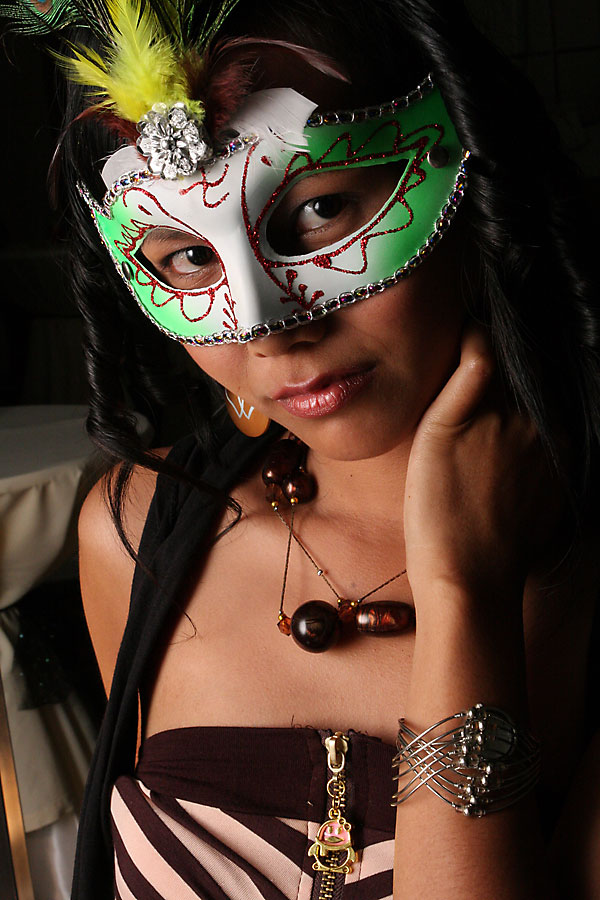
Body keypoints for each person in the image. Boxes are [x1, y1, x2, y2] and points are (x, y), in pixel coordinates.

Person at [3, 0, 599, 897]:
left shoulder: (580, 568)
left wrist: (464, 595)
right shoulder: (136, 534)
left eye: (321, 208)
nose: (269, 327)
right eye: (188, 258)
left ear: (472, 175)